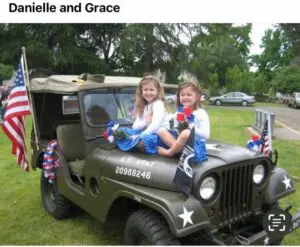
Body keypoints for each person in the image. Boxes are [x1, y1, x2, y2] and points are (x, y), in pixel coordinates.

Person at [106, 75, 169, 154]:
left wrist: (140, 136)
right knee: (122, 131)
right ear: (141, 92)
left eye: (151, 90)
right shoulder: (144, 106)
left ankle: (146, 146)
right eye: (145, 90)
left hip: (159, 135)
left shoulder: (158, 103)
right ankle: (139, 144)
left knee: (143, 140)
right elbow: (135, 127)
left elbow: (155, 125)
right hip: (146, 133)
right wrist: (145, 122)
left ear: (157, 91)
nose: (148, 92)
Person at [157, 80, 210, 157]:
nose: (185, 97)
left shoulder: (201, 113)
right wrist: (174, 123)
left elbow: (206, 135)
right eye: (182, 95)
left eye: (189, 95)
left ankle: (169, 152)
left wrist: (189, 125)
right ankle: (178, 150)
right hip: (179, 141)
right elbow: (172, 127)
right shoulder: (180, 111)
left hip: (195, 144)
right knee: (160, 130)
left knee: (186, 133)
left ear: (197, 97)